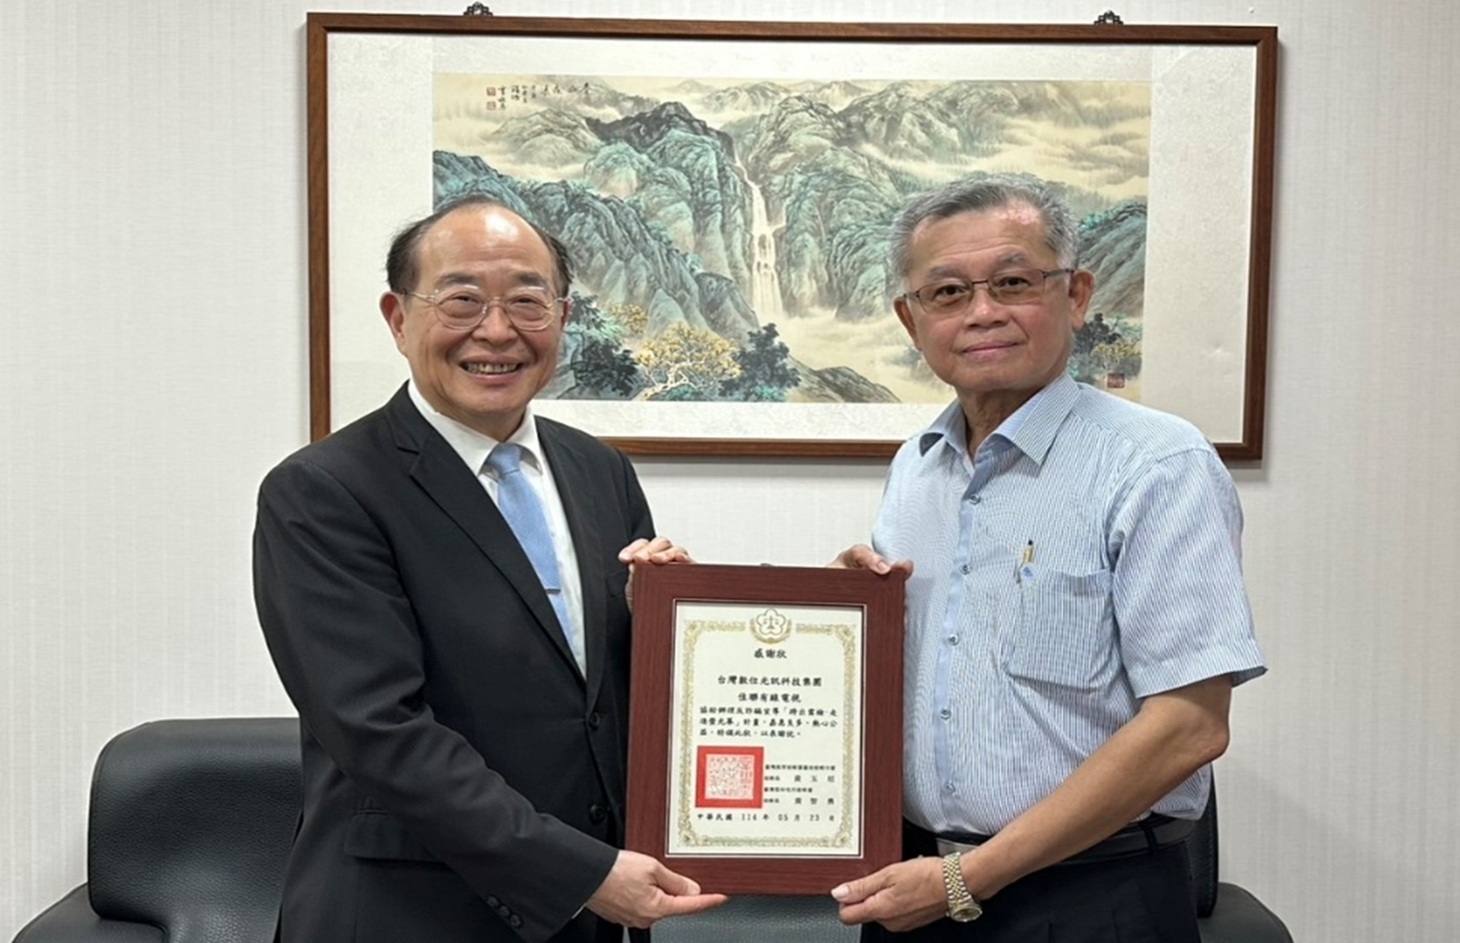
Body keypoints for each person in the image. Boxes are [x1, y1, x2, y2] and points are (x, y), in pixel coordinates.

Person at [253, 195, 725, 943]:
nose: (497, 331)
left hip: (594, 912)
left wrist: (676, 622)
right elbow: (380, 730)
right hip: (409, 914)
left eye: (527, 302)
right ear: (398, 318)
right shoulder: (324, 491)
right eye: (462, 300)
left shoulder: (600, 471)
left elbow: (606, 702)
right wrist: (579, 873)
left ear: (563, 318)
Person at [828, 175, 1266, 942]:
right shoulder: (916, 467)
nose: (982, 312)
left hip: (1095, 900)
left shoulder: (1156, 465)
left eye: (1013, 282)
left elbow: (1190, 725)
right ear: (911, 318)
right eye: (948, 292)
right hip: (915, 892)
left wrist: (967, 877)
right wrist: (845, 618)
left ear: (1076, 294)